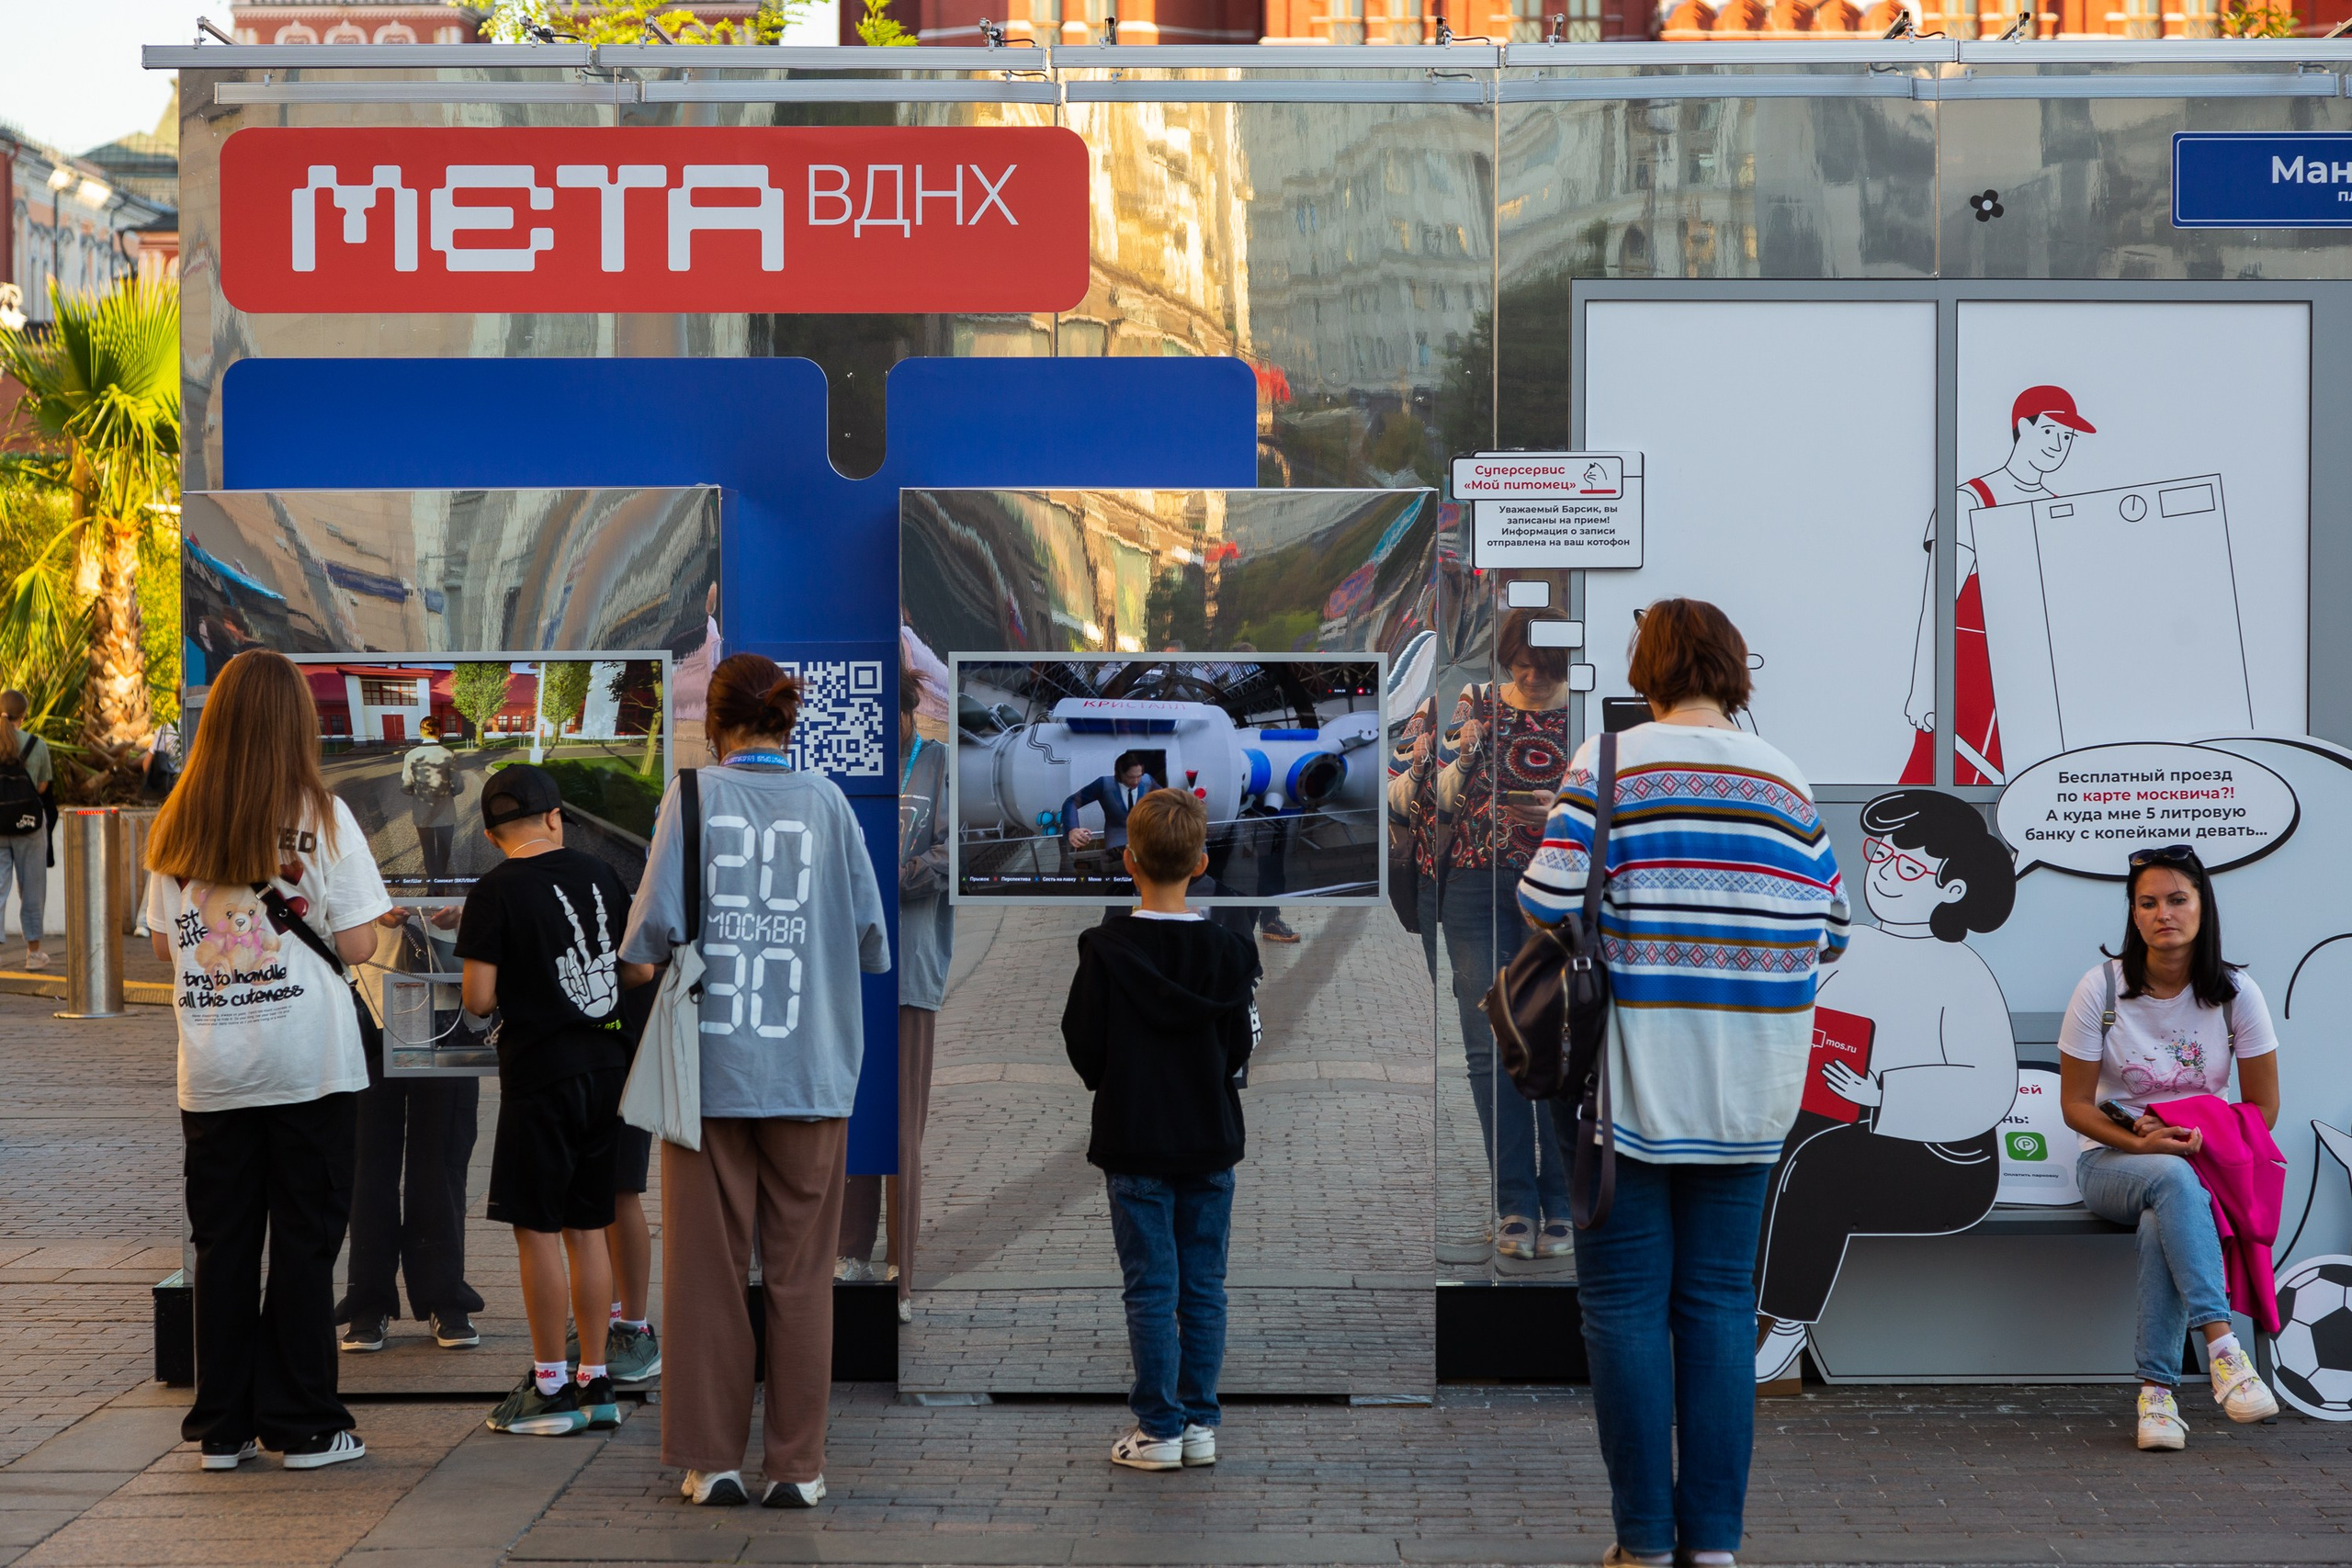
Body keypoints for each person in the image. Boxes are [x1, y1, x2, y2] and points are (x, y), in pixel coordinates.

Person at [1518, 599, 1849, 1568]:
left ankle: (1643, 1542)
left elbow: (1545, 897)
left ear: (1648, 669)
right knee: (1715, 1308)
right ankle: (1713, 1544)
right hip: (1749, 1090)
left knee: (1624, 1308)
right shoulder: (1784, 777)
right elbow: (1830, 932)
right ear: (1732, 670)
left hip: (1628, 1087)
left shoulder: (1608, 763)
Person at [617, 653, 888, 1509]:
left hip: (709, 1074)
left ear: (715, 723)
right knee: (803, 1276)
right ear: (786, 721)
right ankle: (798, 1469)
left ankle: (713, 1461)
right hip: (811, 1071)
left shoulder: (690, 797)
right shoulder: (831, 803)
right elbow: (873, 941)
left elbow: (646, 937)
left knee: (706, 1273)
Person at [143, 649, 392, 1473]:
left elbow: (162, 946)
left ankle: (222, 1427)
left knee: (223, 1244)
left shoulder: (178, 820)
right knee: (304, 1240)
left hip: (213, 1069)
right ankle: (306, 1423)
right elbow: (357, 942)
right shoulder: (323, 815)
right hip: (308, 1062)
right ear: (294, 723)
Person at [1754, 789, 2018, 1382]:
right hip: (1833, 1120)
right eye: (1880, 855)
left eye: (1907, 867)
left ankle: (1786, 1322)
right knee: (1765, 1142)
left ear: (1954, 890)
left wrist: (1881, 1094)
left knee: (1819, 1165)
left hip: (1942, 1157)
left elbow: (1989, 1088)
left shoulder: (1966, 973)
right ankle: (1740, 1307)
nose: (1884, 875)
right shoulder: (1846, 948)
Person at [2057, 842, 2282, 1451]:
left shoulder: (2236, 993)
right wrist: (2140, 1141)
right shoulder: (2100, 989)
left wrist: (2201, 1136)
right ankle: (2224, 1351)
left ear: (2203, 906)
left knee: (2168, 1207)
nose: (2164, 913)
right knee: (2168, 1180)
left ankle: (2157, 1399)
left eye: (2178, 899)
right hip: (2110, 1163)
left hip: (2202, 1165)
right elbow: (2076, 1105)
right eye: (2148, 902)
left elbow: (2264, 1106)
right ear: (2133, 914)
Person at [1062, 787, 1261, 1472]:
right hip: (1210, 1138)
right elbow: (1240, 1047)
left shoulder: (1104, 949)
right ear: (1202, 862)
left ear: (1129, 861)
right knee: (1204, 1285)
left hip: (1135, 1139)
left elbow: (1083, 1045)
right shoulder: (1231, 950)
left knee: (1150, 1287)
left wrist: (1118, 1078)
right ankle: (1199, 1422)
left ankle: (1157, 1428)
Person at [455, 763, 641, 1436]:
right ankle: (596, 1379)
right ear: (557, 817)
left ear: (490, 834)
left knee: (536, 1227)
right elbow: (640, 968)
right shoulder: (602, 875)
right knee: (587, 1226)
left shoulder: (494, 891)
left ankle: (549, 1386)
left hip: (540, 1074)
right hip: (608, 1067)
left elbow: (479, 998)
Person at [1401, 610, 1576, 1262]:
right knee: (1489, 1045)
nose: (1530, 678)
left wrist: (1560, 807)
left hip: (1558, 886)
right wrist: (1459, 752)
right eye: (1521, 666)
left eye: (1544, 668)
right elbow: (1427, 792)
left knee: (1557, 1040)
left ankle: (1562, 1204)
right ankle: (1513, 1203)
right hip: (1477, 880)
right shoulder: (1474, 700)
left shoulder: (1583, 711)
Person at [1903, 385, 2094, 788]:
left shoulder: (2057, 508)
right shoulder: (1969, 500)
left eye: (2067, 437)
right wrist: (1924, 688)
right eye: (2050, 431)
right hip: (1968, 678)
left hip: (2030, 681)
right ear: (2023, 426)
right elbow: (1938, 603)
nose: (2059, 445)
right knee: (1938, 790)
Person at [839, 664, 954, 1325]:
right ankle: (849, 1252)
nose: (883, 730)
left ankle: (901, 1275)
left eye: (894, 718)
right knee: (853, 1112)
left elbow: (950, 854)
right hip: (852, 968)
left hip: (910, 964)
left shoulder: (940, 765)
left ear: (911, 713)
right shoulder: (850, 763)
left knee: (902, 1123)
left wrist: (888, 874)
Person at [339, 903, 486, 1356]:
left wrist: (469, 913)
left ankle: (445, 1296)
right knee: (368, 1163)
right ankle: (368, 1301)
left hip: (447, 999)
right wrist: (369, 911)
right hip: (369, 999)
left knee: (441, 1158)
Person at [0, 690, 54, 971]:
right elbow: (43, 786)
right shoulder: (37, 745)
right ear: (23, 716)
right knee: (32, 887)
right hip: (28, 825)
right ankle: (33, 954)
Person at [401, 720, 461, 895]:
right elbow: (458, 785)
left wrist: (418, 794)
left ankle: (432, 887)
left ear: (421, 732)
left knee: (428, 851)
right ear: (439, 731)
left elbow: (405, 786)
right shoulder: (448, 754)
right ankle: (439, 887)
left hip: (422, 811)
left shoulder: (411, 755)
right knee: (443, 850)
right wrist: (450, 793)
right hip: (445, 812)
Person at [1064, 751, 1158, 852]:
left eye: (1139, 776)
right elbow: (1071, 802)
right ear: (1120, 774)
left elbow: (1165, 800)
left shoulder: (1147, 780)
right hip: (1117, 841)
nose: (1136, 781)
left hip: (1145, 838)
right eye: (1130, 777)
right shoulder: (1104, 784)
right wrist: (1073, 829)